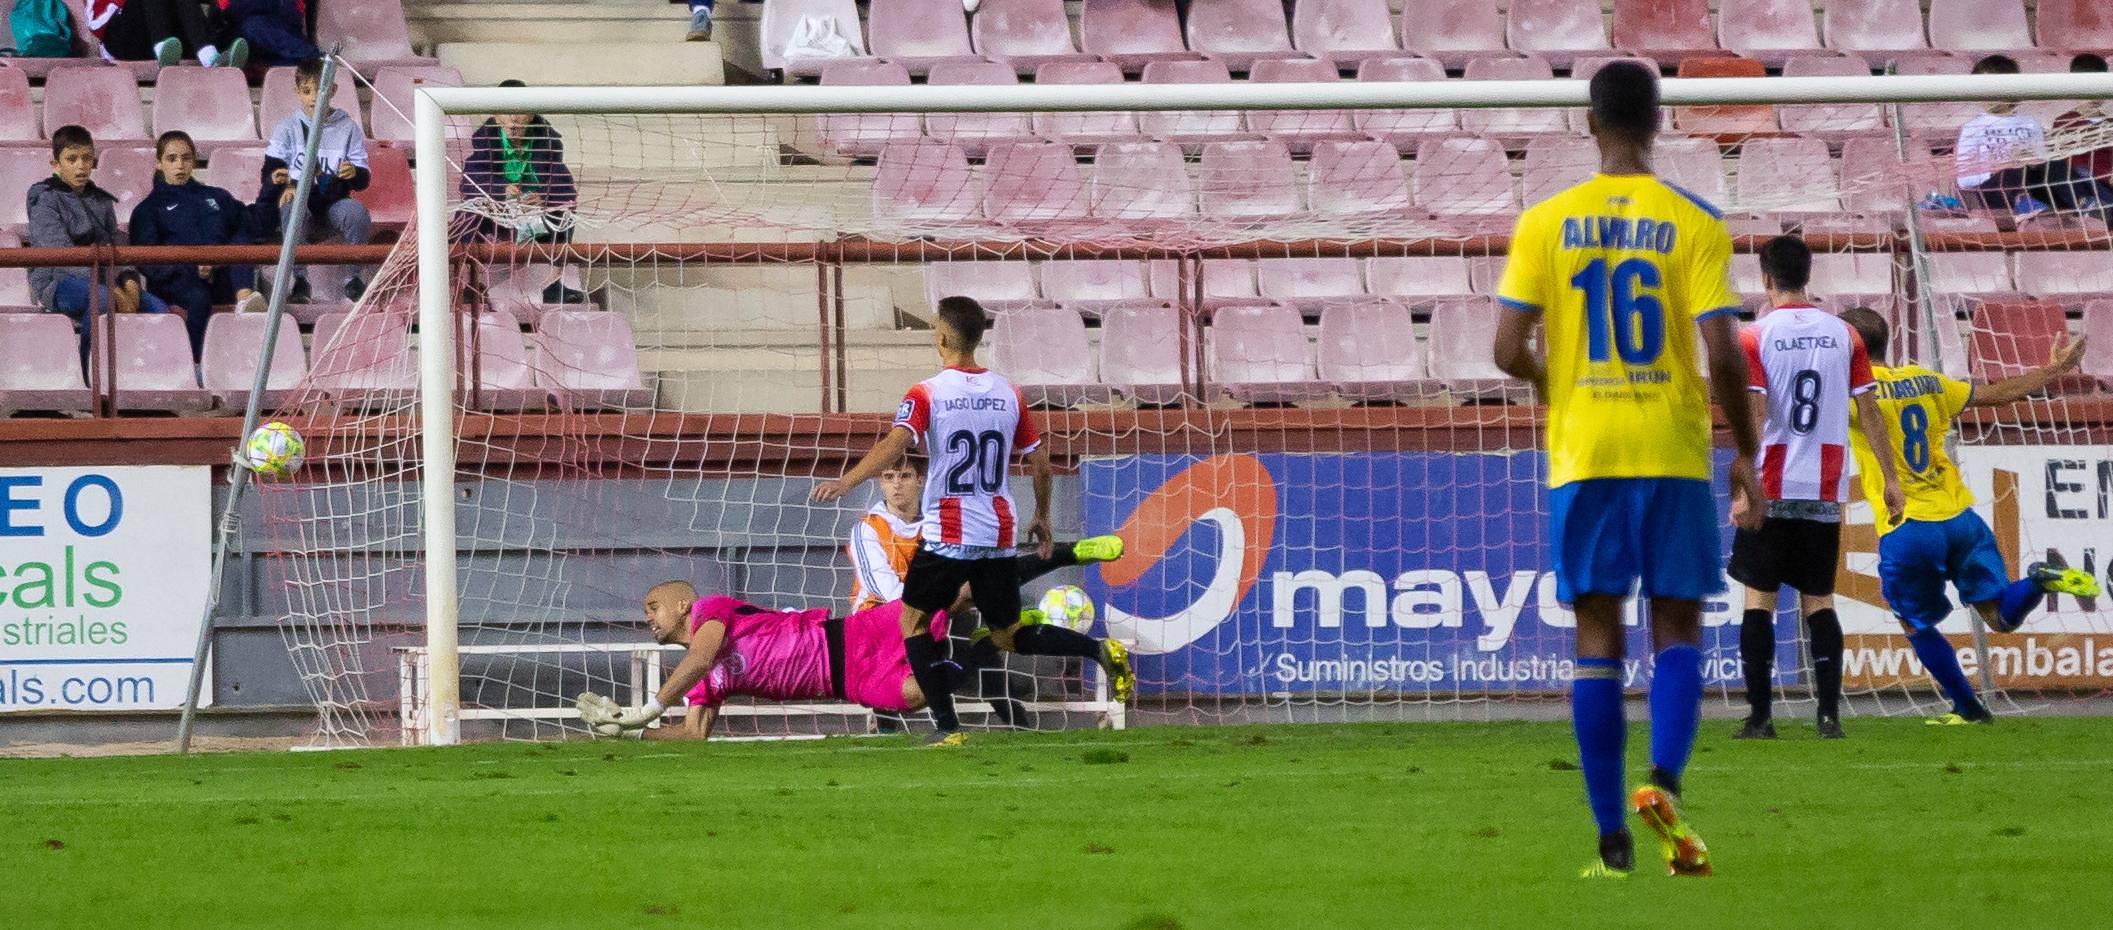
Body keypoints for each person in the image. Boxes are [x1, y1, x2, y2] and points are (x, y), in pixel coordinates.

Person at [1490, 61, 1764, 880]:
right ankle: (1665, 780)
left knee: (1594, 634)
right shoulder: (1694, 221)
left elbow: (1504, 350)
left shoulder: (1544, 220)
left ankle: (1611, 838)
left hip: (1584, 452)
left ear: (1589, 122)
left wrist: (1554, 382)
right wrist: (1744, 450)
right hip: (1672, 450)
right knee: (1677, 626)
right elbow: (1720, 351)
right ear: (1658, 121)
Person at [812, 296, 1134, 747]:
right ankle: (1098, 650)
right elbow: (1040, 458)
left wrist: (848, 480)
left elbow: (896, 443)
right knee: (1008, 634)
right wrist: (1042, 514)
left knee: (913, 623)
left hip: (948, 530)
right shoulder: (1008, 391)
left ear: (941, 337)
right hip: (998, 529)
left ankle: (948, 729)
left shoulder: (927, 391)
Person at [1835, 308, 2100, 727]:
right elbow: (1999, 393)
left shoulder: (1855, 394)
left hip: (1909, 525)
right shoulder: (1928, 380)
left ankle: (1968, 707)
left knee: (1913, 621)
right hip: (1961, 518)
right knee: (1999, 618)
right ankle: (2038, 580)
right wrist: (2054, 369)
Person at [1728, 237, 1903, 742]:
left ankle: (1760, 718)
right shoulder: (1846, 335)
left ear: (1765, 279)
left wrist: (1746, 484)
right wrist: (1890, 479)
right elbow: (1868, 411)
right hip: (1823, 488)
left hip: (1771, 485)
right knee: (1819, 601)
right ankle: (1828, 717)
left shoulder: (1753, 335)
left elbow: (1756, 414)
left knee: (1758, 601)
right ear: (1809, 276)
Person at [579, 582, 1039, 740]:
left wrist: (649, 708)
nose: (648, 618)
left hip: (850, 634)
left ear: (682, 605)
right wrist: (633, 730)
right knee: (915, 696)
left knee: (950, 598)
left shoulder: (710, 612)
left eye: (652, 607)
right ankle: (991, 643)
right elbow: (695, 734)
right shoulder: (695, 677)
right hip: (846, 682)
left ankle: (1017, 574)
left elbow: (701, 658)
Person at [847, 454, 1124, 612]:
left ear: (920, 480)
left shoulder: (935, 523)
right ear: (880, 484)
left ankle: (1071, 553)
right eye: (888, 478)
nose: (896, 485)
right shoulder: (867, 529)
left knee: (991, 575)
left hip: (933, 615)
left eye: (904, 476)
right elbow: (892, 596)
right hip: (880, 622)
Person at [28, 124, 174, 358]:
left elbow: (115, 245)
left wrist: (129, 280)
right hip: (56, 282)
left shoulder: (100, 200)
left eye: (86, 159)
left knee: (159, 311)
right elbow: (62, 256)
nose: (81, 166)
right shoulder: (45, 201)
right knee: (103, 300)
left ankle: (148, 372)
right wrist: (113, 290)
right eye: (72, 159)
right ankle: (91, 372)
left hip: (106, 281)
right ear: (56, 164)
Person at [128, 130, 264, 360]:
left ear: (193, 161)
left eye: (186, 158)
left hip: (218, 275)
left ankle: (244, 297)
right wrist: (191, 267)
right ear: (159, 163)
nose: (180, 165)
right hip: (174, 282)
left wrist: (275, 192)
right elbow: (146, 260)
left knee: (240, 238)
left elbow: (252, 223)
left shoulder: (216, 196)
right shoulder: (147, 209)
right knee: (198, 297)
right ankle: (194, 365)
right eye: (172, 159)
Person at [456, 80, 584, 304]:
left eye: (520, 111)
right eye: (507, 112)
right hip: (496, 214)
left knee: (565, 212)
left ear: (532, 114)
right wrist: (499, 191)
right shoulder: (484, 142)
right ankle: (472, 282)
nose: (513, 119)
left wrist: (544, 197)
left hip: (533, 214)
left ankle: (553, 284)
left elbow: (565, 187)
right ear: (496, 115)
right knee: (468, 212)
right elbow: (469, 184)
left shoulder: (548, 143)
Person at [259, 56, 372, 303]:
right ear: (297, 92)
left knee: (356, 212)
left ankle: (353, 278)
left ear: (332, 91)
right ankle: (301, 280)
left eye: (320, 91)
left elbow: (363, 179)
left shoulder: (348, 128)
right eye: (307, 91)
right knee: (291, 204)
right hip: (301, 205)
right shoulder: (286, 127)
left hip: (332, 206)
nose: (313, 98)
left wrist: (353, 174)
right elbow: (271, 170)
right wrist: (284, 182)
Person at [1955, 54, 2111, 220]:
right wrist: (1996, 169)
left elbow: (2042, 161)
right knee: (2015, 171)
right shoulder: (1972, 127)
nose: (1986, 94)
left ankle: (2084, 202)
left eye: (1993, 86)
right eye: (1981, 88)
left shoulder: (2029, 122)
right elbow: (1964, 179)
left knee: (2053, 163)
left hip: (2030, 185)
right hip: (1993, 190)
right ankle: (2022, 205)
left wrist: (2030, 159)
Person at [85, 0, 248, 67]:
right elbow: (95, 22)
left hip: (170, 40)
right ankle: (162, 47)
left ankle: (210, 57)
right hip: (123, 40)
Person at [2052, 54, 2113, 193]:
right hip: (2083, 186)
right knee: (2077, 172)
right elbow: (2072, 163)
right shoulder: (2064, 123)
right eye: (2088, 88)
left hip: (2107, 186)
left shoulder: (2110, 124)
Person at [216, 0, 318, 67]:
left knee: (254, 26)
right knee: (249, 28)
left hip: (280, 26)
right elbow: (230, 8)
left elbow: (289, 10)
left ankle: (313, 59)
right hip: (241, 33)